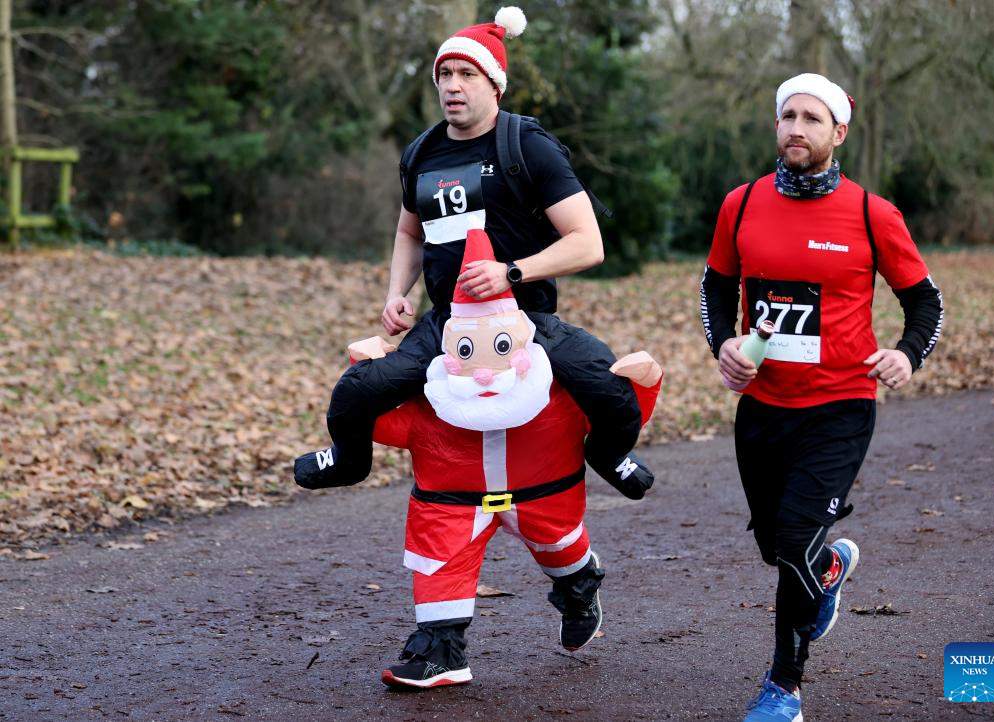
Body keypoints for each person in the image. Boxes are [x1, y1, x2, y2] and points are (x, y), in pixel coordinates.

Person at [294, 6, 654, 499]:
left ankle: (608, 454)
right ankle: (349, 460)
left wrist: (512, 273)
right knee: (358, 390)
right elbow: (410, 234)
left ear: (495, 85)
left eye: (467, 74)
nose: (452, 86)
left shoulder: (527, 145)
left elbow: (587, 244)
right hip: (448, 321)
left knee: (609, 390)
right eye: (444, 74)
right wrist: (397, 292)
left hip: (524, 318)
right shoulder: (422, 153)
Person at [700, 72, 943, 722]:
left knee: (795, 541)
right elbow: (716, 287)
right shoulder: (742, 205)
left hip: (840, 405)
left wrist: (905, 354)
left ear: (838, 132)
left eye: (812, 118)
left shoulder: (871, 212)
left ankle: (784, 689)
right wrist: (722, 342)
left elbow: (925, 300)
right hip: (763, 407)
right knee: (778, 548)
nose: (797, 129)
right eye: (788, 116)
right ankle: (828, 570)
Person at [347, 229, 662, 688]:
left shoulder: (554, 390)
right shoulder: (434, 401)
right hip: (453, 503)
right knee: (440, 564)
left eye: (498, 349)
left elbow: (613, 416)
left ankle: (580, 589)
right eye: (468, 351)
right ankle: (441, 653)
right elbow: (382, 424)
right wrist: (362, 374)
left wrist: (643, 383)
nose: (484, 372)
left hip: (545, 495)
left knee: (562, 549)